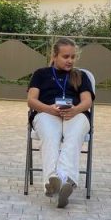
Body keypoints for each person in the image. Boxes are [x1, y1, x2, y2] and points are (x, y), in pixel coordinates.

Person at [26, 38, 94, 208]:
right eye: (65, 57)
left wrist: (75, 110)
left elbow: (87, 101)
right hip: (47, 112)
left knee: (73, 137)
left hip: (76, 113)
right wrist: (48, 109)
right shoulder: (40, 74)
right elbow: (31, 100)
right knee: (50, 136)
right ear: (54, 55)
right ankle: (60, 181)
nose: (70, 60)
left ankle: (58, 180)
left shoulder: (81, 75)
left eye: (73, 57)